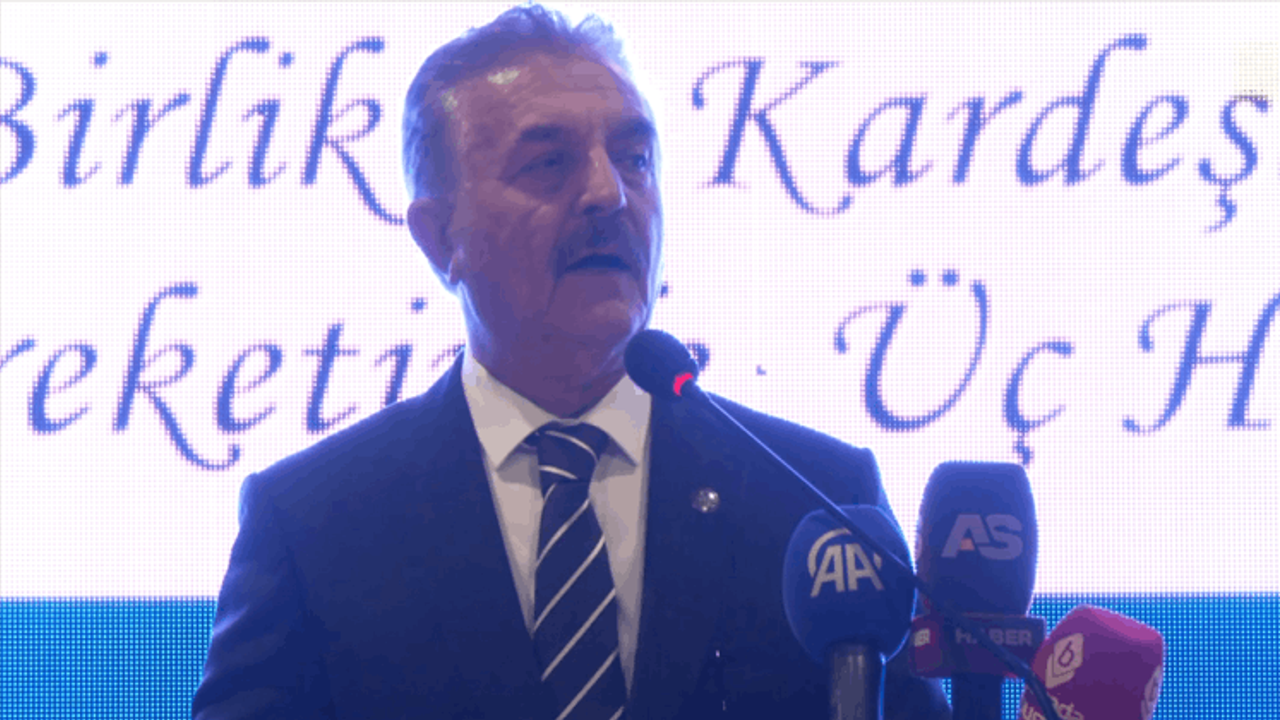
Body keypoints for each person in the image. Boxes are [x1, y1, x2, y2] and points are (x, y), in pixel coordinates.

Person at [192, 5, 951, 719]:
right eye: (549, 163)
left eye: (634, 158)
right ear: (440, 238)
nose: (608, 194)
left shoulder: (816, 505)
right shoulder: (316, 525)